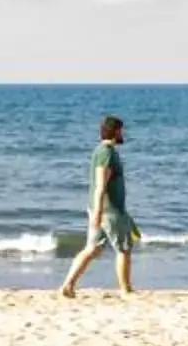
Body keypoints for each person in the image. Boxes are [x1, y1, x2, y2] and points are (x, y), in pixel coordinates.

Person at [59, 114, 141, 296]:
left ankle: (68, 285)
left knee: (92, 248)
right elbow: (100, 184)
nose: (123, 133)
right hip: (109, 211)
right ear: (115, 131)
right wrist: (97, 211)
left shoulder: (102, 151)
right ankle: (125, 289)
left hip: (103, 210)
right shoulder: (106, 153)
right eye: (121, 130)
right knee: (124, 249)